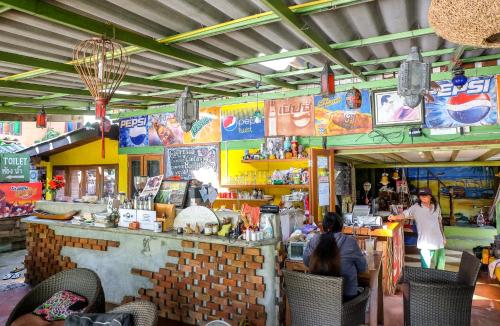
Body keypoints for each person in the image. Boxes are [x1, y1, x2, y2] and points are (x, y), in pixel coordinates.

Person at [303, 212, 367, 301]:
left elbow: (306, 261)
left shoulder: (315, 239)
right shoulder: (350, 242)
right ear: (341, 226)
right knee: (366, 288)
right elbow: (363, 268)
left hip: (319, 297)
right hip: (346, 300)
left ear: (323, 226)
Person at [389, 187, 446, 269]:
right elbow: (405, 214)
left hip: (439, 241)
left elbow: (439, 223)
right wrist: (394, 217)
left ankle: (439, 281)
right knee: (425, 269)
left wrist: (443, 237)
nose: (422, 197)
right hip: (425, 243)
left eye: (425, 195)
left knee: (440, 268)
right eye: (421, 195)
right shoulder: (416, 207)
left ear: (430, 196)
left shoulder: (436, 207)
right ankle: (425, 282)